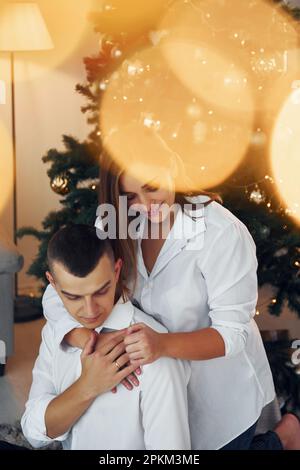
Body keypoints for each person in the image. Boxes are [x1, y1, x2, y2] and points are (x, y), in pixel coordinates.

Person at [41, 130, 299, 449]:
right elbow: (59, 293)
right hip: (158, 390)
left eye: (152, 186)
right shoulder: (115, 224)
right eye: (130, 196)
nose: (145, 205)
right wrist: (91, 339)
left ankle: (284, 438)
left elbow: (233, 334)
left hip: (219, 393)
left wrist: (161, 345)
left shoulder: (221, 232)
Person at [21, 225, 191, 450]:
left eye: (101, 291)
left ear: (117, 270)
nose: (90, 311)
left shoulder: (154, 357)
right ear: (53, 283)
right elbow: (34, 432)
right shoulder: (58, 332)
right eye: (73, 297)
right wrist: (87, 387)